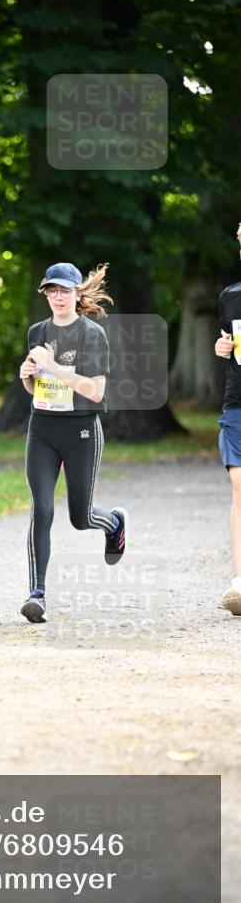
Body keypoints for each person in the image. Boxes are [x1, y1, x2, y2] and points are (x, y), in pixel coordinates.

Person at [18, 261, 128, 623]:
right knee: (42, 510)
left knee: (80, 518)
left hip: (81, 429)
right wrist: (28, 377)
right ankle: (37, 594)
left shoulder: (91, 333)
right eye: (53, 290)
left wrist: (52, 366)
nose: (59, 296)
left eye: (66, 290)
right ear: (46, 294)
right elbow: (37, 385)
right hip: (43, 429)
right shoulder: (37, 331)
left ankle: (113, 523)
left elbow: (95, 391)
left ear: (77, 293)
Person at [214, 231, 241, 615]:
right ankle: (240, 581)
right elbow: (227, 342)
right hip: (238, 404)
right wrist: (221, 348)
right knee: (240, 486)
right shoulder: (230, 296)